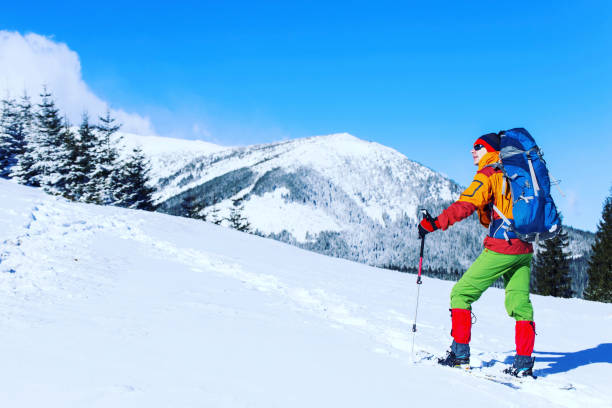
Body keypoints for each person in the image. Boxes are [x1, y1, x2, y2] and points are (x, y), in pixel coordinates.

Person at [418, 132, 536, 377]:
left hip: (502, 247)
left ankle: (460, 356)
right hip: (524, 248)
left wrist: (435, 223)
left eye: (478, 147)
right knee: (520, 305)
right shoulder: (518, 172)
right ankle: (523, 364)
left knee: (461, 294)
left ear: (490, 150)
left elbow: (466, 204)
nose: (473, 151)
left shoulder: (490, 173)